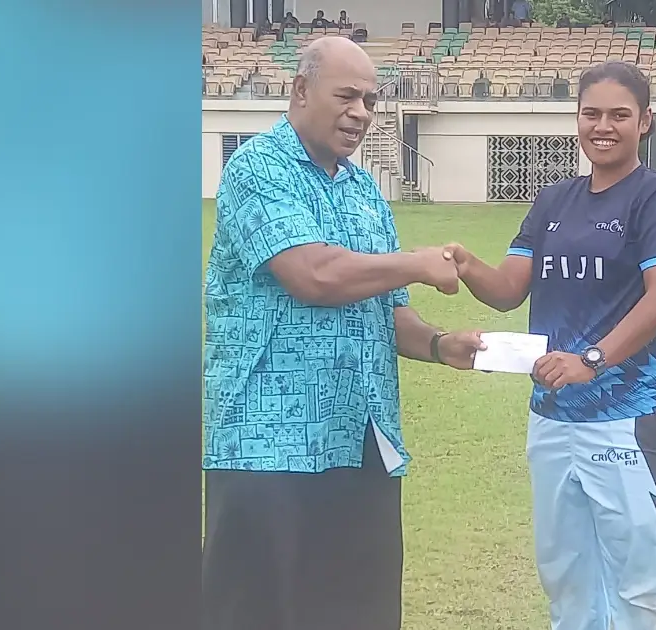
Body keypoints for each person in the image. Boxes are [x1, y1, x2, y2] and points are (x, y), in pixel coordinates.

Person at [201, 36, 487, 630]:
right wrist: (414, 261)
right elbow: (313, 273)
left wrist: (438, 344)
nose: (362, 112)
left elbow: (389, 312)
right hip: (267, 445)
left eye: (371, 101)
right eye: (347, 96)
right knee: (258, 612)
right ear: (301, 90)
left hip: (360, 439)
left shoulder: (363, 193)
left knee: (359, 611)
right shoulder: (257, 169)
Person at [443, 60, 656, 630]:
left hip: (630, 417)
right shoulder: (555, 200)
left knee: (644, 578)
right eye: (591, 113)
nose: (602, 126)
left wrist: (591, 361)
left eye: (619, 114)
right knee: (568, 575)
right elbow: (510, 289)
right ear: (576, 118)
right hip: (554, 418)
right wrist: (466, 264)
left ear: (646, 121)